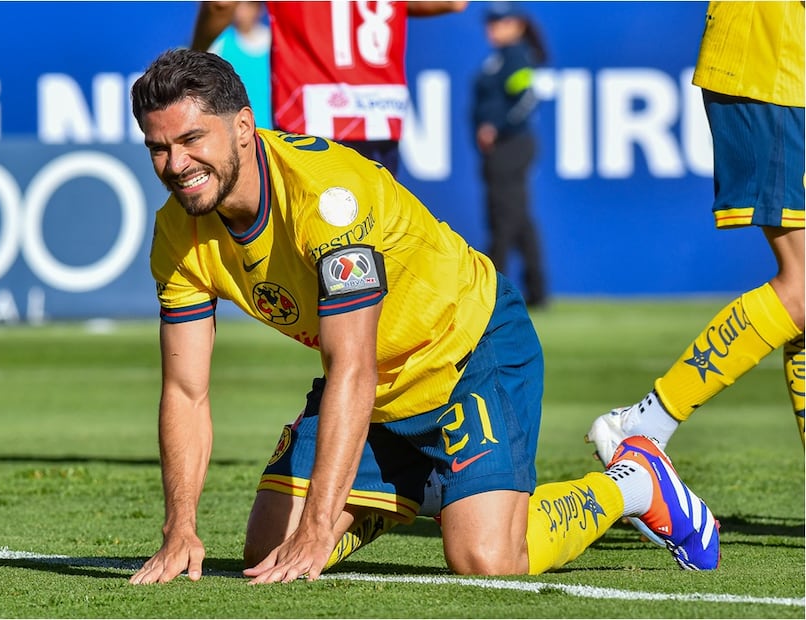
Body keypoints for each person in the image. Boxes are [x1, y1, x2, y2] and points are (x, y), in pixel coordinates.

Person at [125, 48, 720, 585]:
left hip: (467, 348)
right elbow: (184, 390)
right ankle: (423, 483)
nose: (176, 164)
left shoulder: (330, 201)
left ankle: (633, 481)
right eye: (159, 147)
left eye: (192, 140)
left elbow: (351, 366)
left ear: (244, 128)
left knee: (486, 559)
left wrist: (320, 524)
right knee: (267, 551)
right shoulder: (176, 234)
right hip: (376, 390)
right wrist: (179, 528)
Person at [586, 2, 805, 471]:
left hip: (786, 61)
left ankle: (649, 422)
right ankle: (648, 421)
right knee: (804, 286)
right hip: (771, 62)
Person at [191, 1, 468, 176]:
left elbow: (220, 4)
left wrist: (196, 54)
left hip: (313, 117)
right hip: (381, 115)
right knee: (372, 240)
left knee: (315, 247)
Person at [472, 2, 548, 308]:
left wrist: (497, 127)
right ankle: (537, 290)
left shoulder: (515, 57)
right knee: (518, 218)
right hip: (504, 149)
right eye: (490, 23)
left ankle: (493, 290)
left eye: (500, 23)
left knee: (502, 217)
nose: (492, 29)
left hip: (511, 146)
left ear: (517, 25)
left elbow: (527, 98)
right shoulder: (500, 58)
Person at [207, 1, 273, 130]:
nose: (241, 11)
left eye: (248, 4)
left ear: (259, 9)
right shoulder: (218, 43)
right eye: (238, 5)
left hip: (271, 130)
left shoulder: (273, 42)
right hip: (237, 129)